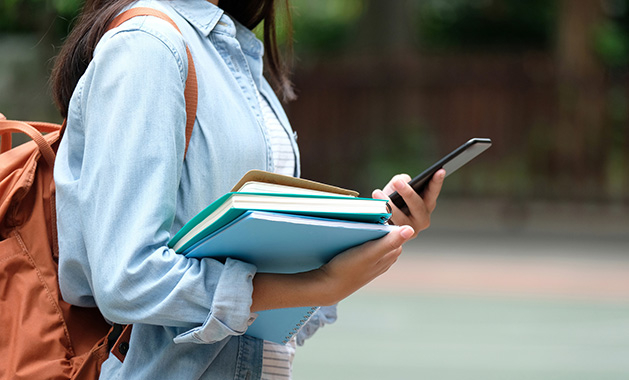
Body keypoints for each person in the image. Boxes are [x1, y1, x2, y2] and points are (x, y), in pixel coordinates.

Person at [50, 0, 445, 379]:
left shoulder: (228, 50)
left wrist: (371, 234)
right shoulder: (148, 45)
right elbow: (128, 279)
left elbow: (261, 324)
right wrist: (318, 284)